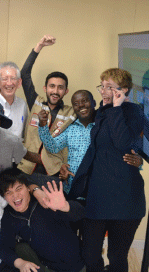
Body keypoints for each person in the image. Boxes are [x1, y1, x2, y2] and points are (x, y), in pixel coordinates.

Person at [69, 68, 145, 272]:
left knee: (117, 257)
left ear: (123, 90)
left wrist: (117, 108)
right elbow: (97, 148)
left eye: (109, 87)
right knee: (90, 254)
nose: (103, 91)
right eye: (101, 86)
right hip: (98, 195)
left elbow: (123, 143)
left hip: (125, 198)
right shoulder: (103, 110)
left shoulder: (133, 111)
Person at [0, 168, 85, 272]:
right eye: (8, 192)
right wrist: (20, 263)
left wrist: (65, 206)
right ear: (4, 197)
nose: (15, 196)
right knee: (21, 248)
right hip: (48, 268)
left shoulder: (44, 199)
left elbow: (82, 214)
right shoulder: (9, 215)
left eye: (19, 189)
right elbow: (4, 247)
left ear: (28, 188)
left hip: (78, 265)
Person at [18, 35, 75, 178]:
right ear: (45, 88)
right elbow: (24, 74)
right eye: (52, 86)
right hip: (26, 167)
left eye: (60, 88)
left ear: (66, 91)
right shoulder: (36, 102)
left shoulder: (72, 112)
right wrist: (39, 47)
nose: (55, 91)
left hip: (53, 172)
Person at [0, 62, 28, 138]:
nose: (9, 83)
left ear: (19, 82)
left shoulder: (22, 104)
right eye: (5, 79)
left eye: (13, 78)